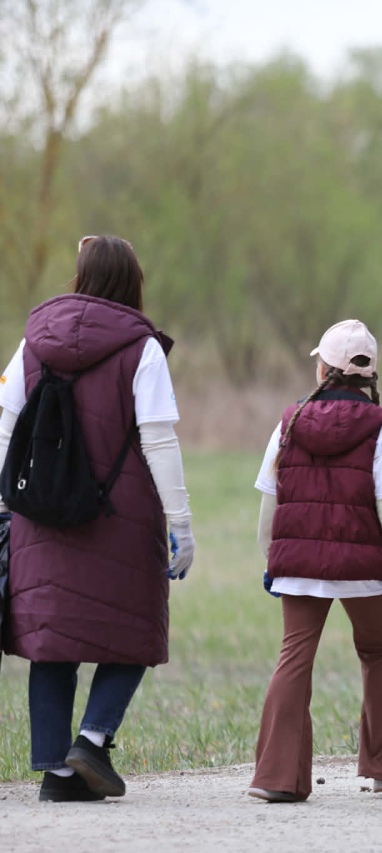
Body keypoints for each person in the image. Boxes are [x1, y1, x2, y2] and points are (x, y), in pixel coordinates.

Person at [0, 235, 195, 802]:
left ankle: (57, 773)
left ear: (80, 277)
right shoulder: (143, 348)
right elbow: (158, 439)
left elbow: (6, 423)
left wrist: (4, 500)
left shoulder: (32, 342)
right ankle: (91, 738)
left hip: (41, 510)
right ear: (133, 282)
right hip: (122, 511)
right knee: (131, 630)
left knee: (51, 634)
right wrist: (181, 521)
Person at [248, 319, 382, 803]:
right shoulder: (380, 428)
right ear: (367, 375)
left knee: (294, 658)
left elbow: (270, 498)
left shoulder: (288, 421)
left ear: (324, 369)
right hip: (362, 571)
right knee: (376, 654)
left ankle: (275, 778)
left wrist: (271, 558)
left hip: (298, 566)